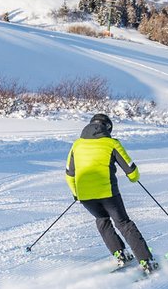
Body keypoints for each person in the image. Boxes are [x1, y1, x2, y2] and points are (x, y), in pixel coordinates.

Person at [65, 113, 158, 274]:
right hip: (108, 193)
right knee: (123, 224)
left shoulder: (77, 145)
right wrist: (133, 177)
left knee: (102, 220)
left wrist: (76, 194)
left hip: (85, 196)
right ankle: (146, 261)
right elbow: (131, 171)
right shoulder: (111, 143)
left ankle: (120, 254)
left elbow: (69, 174)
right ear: (108, 128)